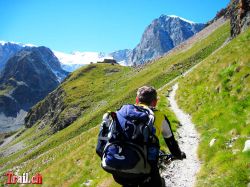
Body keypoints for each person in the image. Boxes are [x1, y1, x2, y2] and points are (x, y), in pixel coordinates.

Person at [113, 86, 186, 187]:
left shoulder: (122, 113)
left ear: (137, 100)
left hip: (117, 166)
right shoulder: (159, 116)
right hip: (145, 168)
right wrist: (178, 155)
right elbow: (171, 142)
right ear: (155, 102)